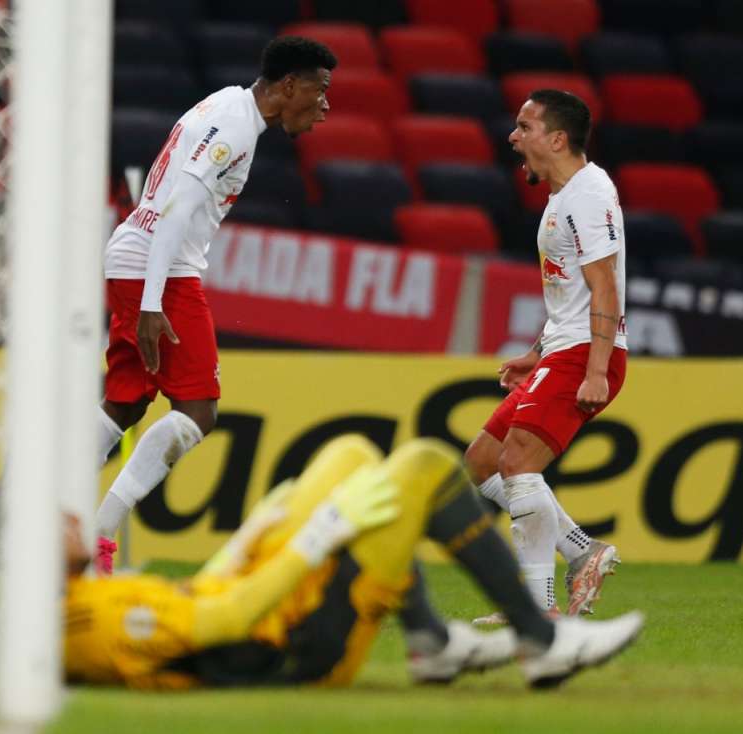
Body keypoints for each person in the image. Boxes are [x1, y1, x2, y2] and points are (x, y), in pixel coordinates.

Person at [63, 435, 644, 689]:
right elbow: (226, 623)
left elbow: (201, 602)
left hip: (272, 604)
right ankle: (540, 640)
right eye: (54, 521)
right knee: (421, 468)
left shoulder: (78, 602)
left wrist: (242, 546)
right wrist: (313, 540)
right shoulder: (90, 623)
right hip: (295, 644)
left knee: (352, 455)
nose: (71, 517)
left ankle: (431, 641)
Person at [92, 37, 337, 572]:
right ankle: (97, 532)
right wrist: (154, 303)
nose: (324, 106)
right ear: (288, 86)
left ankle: (43, 507)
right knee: (198, 409)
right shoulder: (233, 127)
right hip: (160, 269)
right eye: (319, 93)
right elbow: (177, 212)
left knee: (127, 400)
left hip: (138, 258)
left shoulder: (230, 104)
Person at [465, 89, 627, 623]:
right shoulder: (563, 196)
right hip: (566, 347)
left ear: (557, 139)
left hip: (586, 354)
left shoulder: (587, 195)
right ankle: (583, 550)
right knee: (483, 462)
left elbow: (605, 289)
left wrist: (597, 370)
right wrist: (537, 352)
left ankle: (539, 608)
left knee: (515, 464)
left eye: (524, 127)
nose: (514, 137)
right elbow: (570, 294)